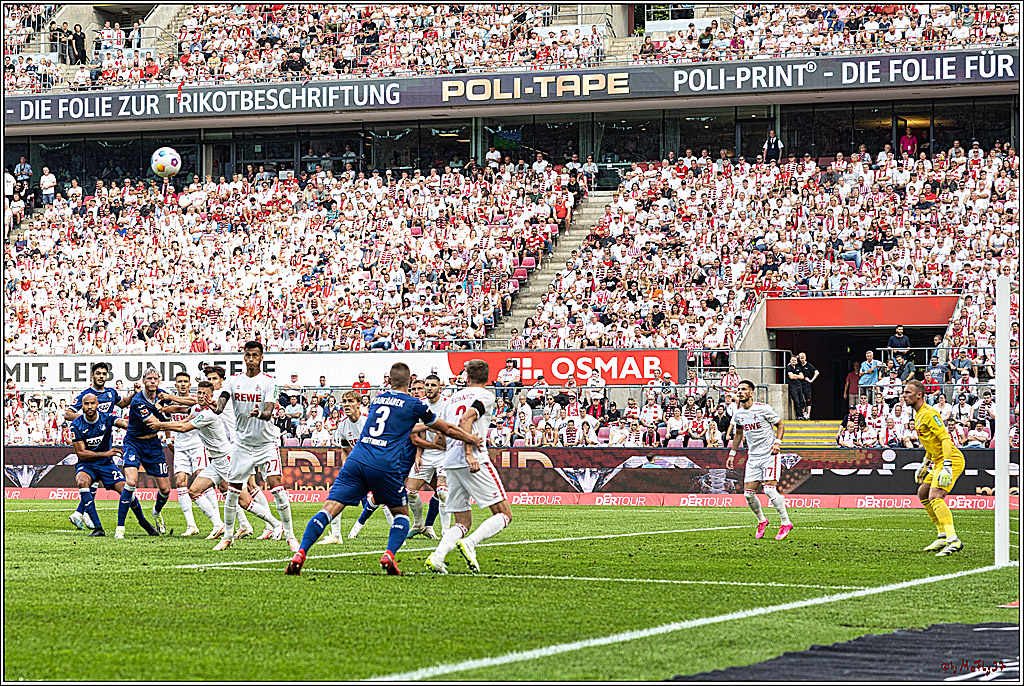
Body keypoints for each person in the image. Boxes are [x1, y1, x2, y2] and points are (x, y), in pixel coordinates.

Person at [286, 362, 482, 576]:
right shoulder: (415, 404)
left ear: (389, 380)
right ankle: (389, 554)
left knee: (329, 508)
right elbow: (446, 428)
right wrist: (470, 438)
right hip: (384, 464)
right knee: (401, 514)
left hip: (357, 458)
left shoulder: (378, 399)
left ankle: (301, 552)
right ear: (409, 382)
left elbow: (396, 424)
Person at [153, 381, 277, 540]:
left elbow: (184, 427)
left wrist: (159, 425)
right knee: (194, 490)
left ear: (211, 397)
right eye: (198, 393)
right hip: (217, 461)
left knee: (245, 501)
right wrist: (164, 412)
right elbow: (183, 413)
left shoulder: (209, 414)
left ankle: (276, 524)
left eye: (204, 394)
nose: (200, 396)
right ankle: (219, 525)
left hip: (227, 460)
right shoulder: (197, 409)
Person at [426, 359, 512, 574]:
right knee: (504, 514)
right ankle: (471, 543)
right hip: (473, 458)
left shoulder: (452, 399)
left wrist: (454, 449)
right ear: (488, 377)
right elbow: (467, 418)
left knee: (462, 520)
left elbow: (441, 434)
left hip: (451, 461)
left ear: (466, 376)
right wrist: (468, 453)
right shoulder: (485, 395)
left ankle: (437, 557)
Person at [212, 341, 296, 551]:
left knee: (277, 488)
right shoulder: (232, 381)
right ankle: (228, 537)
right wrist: (216, 407)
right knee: (233, 492)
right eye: (248, 355)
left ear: (261, 358)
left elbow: (268, 410)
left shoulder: (269, 382)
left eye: (255, 356)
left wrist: (261, 414)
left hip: (266, 444)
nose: (251, 359)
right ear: (244, 357)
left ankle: (290, 535)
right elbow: (222, 402)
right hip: (242, 444)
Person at [70, 392, 153, 537]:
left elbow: (124, 423)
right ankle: (98, 528)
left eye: (92, 403)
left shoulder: (106, 418)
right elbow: (81, 454)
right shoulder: (76, 425)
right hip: (87, 464)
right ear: (81, 406)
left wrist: (139, 425)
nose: (89, 406)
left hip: (106, 465)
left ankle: (143, 522)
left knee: (126, 490)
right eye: (86, 404)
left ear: (97, 405)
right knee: (82, 482)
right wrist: (106, 453)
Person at [64, 362, 135, 531]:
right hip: (90, 443)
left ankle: (81, 513)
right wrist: (85, 421)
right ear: (92, 376)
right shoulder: (86, 395)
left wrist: (133, 395)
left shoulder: (111, 393)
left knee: (96, 479)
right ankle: (83, 513)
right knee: (94, 477)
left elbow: (123, 403)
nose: (101, 376)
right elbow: (68, 413)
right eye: (98, 373)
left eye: (104, 373)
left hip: (105, 442)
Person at [904, 379, 965, 557]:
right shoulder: (919, 414)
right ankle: (942, 535)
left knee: (935, 496)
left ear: (919, 395)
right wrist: (925, 463)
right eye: (904, 392)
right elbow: (932, 443)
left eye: (908, 392)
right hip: (937, 460)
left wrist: (946, 466)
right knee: (923, 493)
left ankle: (953, 540)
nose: (904, 395)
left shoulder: (929, 414)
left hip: (950, 459)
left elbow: (945, 439)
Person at [725, 380, 792, 540]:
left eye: (743, 389)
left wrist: (778, 442)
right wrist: (732, 454)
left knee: (769, 489)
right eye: (738, 389)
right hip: (753, 457)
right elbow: (739, 434)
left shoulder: (764, 409)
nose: (740, 392)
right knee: (748, 494)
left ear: (751, 393)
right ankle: (762, 520)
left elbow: (780, 425)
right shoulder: (739, 413)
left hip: (769, 455)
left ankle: (785, 522)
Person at [118, 368, 178, 539]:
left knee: (166, 489)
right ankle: (120, 527)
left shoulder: (162, 395)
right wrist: (184, 424)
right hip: (134, 442)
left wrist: (167, 439)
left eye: (155, 378)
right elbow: (157, 423)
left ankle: (156, 512)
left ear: (159, 381)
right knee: (131, 481)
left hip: (153, 444)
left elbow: (170, 410)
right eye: (149, 378)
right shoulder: (138, 401)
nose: (152, 381)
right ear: (143, 381)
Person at [406, 374, 450, 539]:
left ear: (440, 387)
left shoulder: (448, 404)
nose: (429, 388)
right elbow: (414, 432)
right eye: (427, 385)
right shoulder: (421, 405)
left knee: (443, 492)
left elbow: (449, 430)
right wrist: (418, 454)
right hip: (427, 453)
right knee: (410, 491)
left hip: (445, 454)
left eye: (433, 385)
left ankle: (445, 531)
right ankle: (419, 525)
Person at [796, 352, 818, 419]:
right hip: (800, 383)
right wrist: (796, 357)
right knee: (801, 399)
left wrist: (811, 380)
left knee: (808, 399)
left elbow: (817, 372)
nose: (802, 360)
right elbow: (791, 363)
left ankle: (808, 414)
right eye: (800, 358)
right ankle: (803, 413)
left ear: (805, 358)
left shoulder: (809, 365)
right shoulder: (798, 365)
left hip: (807, 384)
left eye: (803, 358)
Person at [785, 355, 806, 419]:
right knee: (796, 401)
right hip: (792, 386)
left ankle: (802, 414)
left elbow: (802, 377)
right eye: (792, 360)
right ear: (790, 361)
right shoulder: (788, 367)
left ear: (797, 362)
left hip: (799, 385)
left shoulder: (798, 367)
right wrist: (798, 376)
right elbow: (791, 377)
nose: (793, 361)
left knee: (801, 401)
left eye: (795, 360)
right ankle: (799, 415)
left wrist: (795, 375)